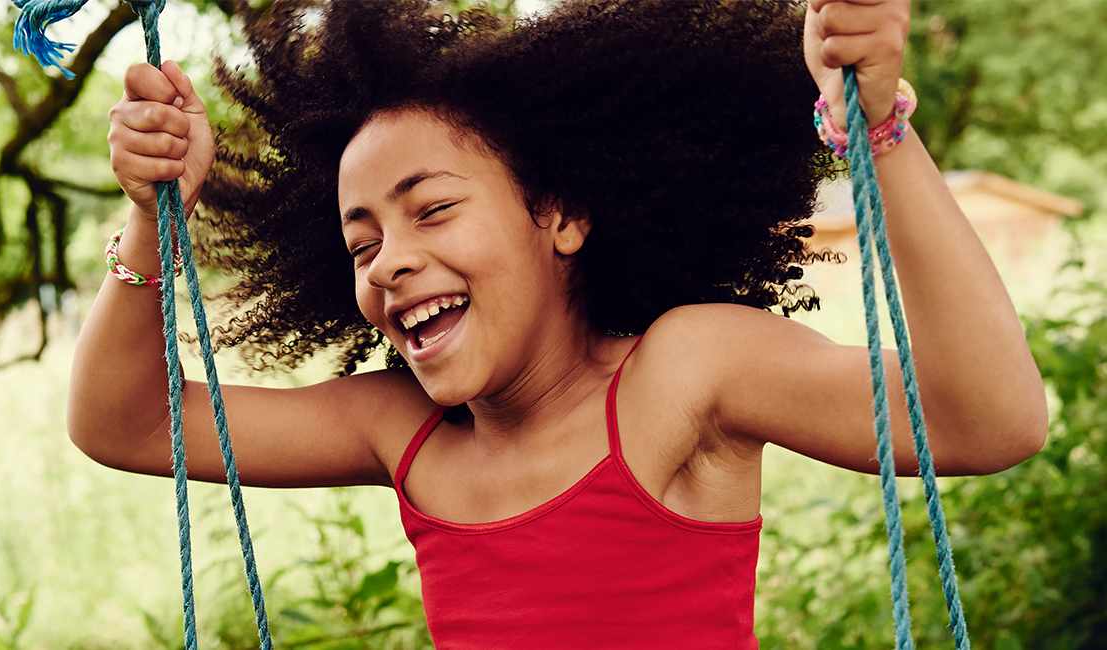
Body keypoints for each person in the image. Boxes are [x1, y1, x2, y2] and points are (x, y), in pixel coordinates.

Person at [72, 0, 1046, 646]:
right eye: (359, 242)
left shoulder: (680, 376)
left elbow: (984, 418)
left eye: (432, 207)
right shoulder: (404, 432)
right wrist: (157, 219)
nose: (391, 258)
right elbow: (125, 423)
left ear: (560, 216)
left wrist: (876, 127)